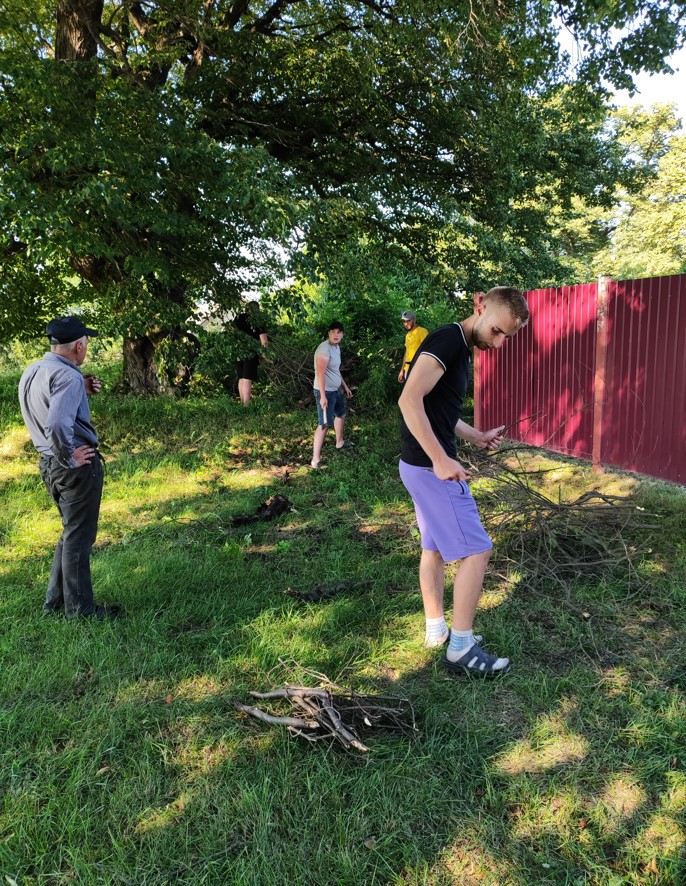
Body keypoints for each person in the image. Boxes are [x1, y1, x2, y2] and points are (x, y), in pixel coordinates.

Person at [398, 287, 529, 676]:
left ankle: (437, 629)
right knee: (478, 549)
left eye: (507, 337)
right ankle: (461, 648)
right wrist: (440, 459)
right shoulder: (448, 340)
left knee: (434, 548)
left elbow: (438, 410)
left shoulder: (457, 344)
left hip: (417, 466)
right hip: (428, 467)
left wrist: (477, 436)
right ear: (480, 305)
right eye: (498, 332)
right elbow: (409, 400)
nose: (500, 342)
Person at [18, 316, 120, 620]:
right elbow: (58, 423)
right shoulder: (67, 377)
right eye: (86, 342)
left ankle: (55, 603)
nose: (86, 347)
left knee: (70, 532)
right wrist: (69, 457)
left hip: (48, 464)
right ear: (79, 345)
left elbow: (46, 406)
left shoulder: (35, 370)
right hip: (72, 467)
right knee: (79, 538)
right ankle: (81, 612)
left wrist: (81, 390)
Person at [311, 320, 353, 468]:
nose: (336, 334)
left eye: (339, 332)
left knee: (341, 414)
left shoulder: (336, 348)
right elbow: (320, 373)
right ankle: (315, 460)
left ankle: (339, 442)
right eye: (333, 331)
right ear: (328, 333)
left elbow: (335, 370)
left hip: (336, 390)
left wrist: (345, 386)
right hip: (326, 392)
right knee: (324, 424)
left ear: (342, 334)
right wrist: (322, 396)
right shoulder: (324, 349)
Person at [234, 301, 269, 406]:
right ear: (256, 310)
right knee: (247, 378)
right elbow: (264, 341)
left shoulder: (238, 318)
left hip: (237, 351)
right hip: (250, 352)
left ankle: (242, 403)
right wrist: (265, 355)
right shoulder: (257, 321)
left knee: (241, 377)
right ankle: (246, 405)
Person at [398, 310, 429, 383]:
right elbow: (406, 354)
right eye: (404, 321)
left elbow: (428, 352)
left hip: (418, 369)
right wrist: (402, 370)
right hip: (407, 369)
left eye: (408, 321)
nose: (406, 324)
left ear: (414, 320)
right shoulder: (407, 335)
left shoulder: (422, 331)